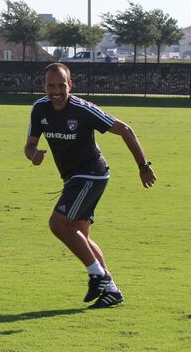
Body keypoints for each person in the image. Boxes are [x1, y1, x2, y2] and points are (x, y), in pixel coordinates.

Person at [24, 63, 157, 309]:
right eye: (51, 85)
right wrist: (33, 155)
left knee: (58, 223)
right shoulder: (39, 108)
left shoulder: (82, 110)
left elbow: (125, 130)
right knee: (81, 236)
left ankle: (99, 275)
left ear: (70, 85)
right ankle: (112, 290)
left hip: (92, 174)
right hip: (72, 178)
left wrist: (143, 166)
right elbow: (30, 144)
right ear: (44, 86)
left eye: (61, 85)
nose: (56, 90)